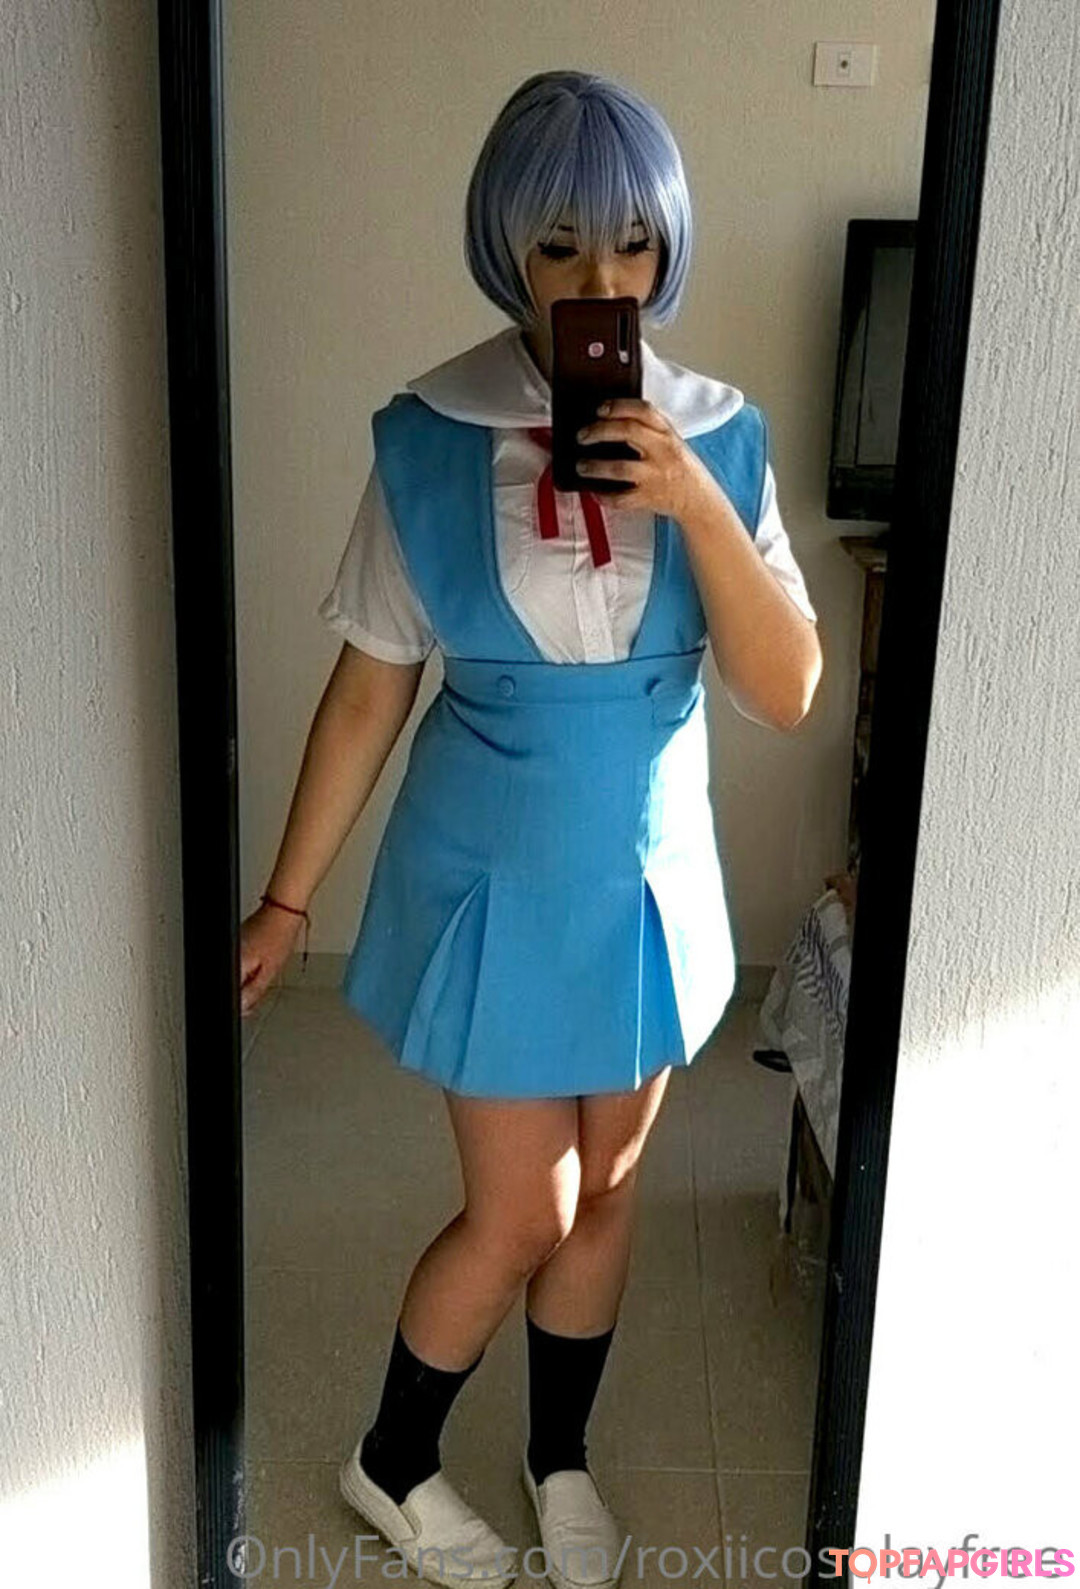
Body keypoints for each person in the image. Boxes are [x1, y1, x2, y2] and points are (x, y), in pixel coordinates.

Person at [240, 68, 821, 1589]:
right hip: (489, 872)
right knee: (523, 1210)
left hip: (645, 875)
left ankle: (559, 1454)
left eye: (631, 241)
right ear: (505, 247)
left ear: (668, 246)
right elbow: (368, 687)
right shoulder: (428, 435)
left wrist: (696, 502)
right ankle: (390, 1458)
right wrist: (287, 902)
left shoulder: (721, 437)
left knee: (611, 1188)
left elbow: (786, 689)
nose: (597, 278)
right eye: (558, 243)